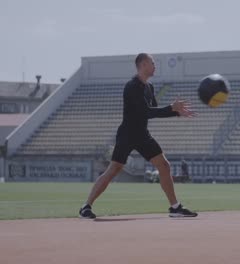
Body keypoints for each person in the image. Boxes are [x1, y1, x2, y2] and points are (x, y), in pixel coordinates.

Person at [79, 53, 198, 218]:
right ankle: (86, 207)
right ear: (142, 65)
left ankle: (175, 207)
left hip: (142, 134)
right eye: (152, 63)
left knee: (164, 165)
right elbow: (146, 112)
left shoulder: (149, 87)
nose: (155, 66)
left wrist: (176, 112)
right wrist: (172, 108)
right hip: (127, 134)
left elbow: (154, 112)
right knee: (113, 169)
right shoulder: (132, 86)